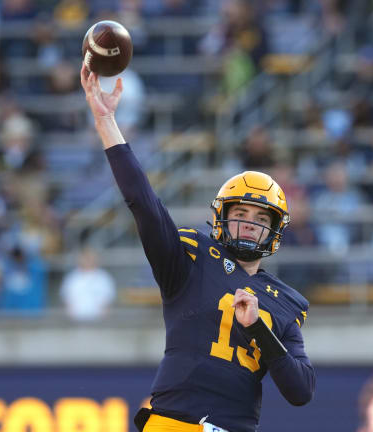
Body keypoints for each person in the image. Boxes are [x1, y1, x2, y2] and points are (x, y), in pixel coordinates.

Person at [80, 65, 314, 432]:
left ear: (274, 230)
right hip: (174, 424)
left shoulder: (284, 302)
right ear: (221, 217)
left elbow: (301, 391)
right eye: (240, 212)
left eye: (261, 216)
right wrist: (106, 121)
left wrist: (258, 329)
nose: (250, 222)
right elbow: (144, 203)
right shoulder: (192, 258)